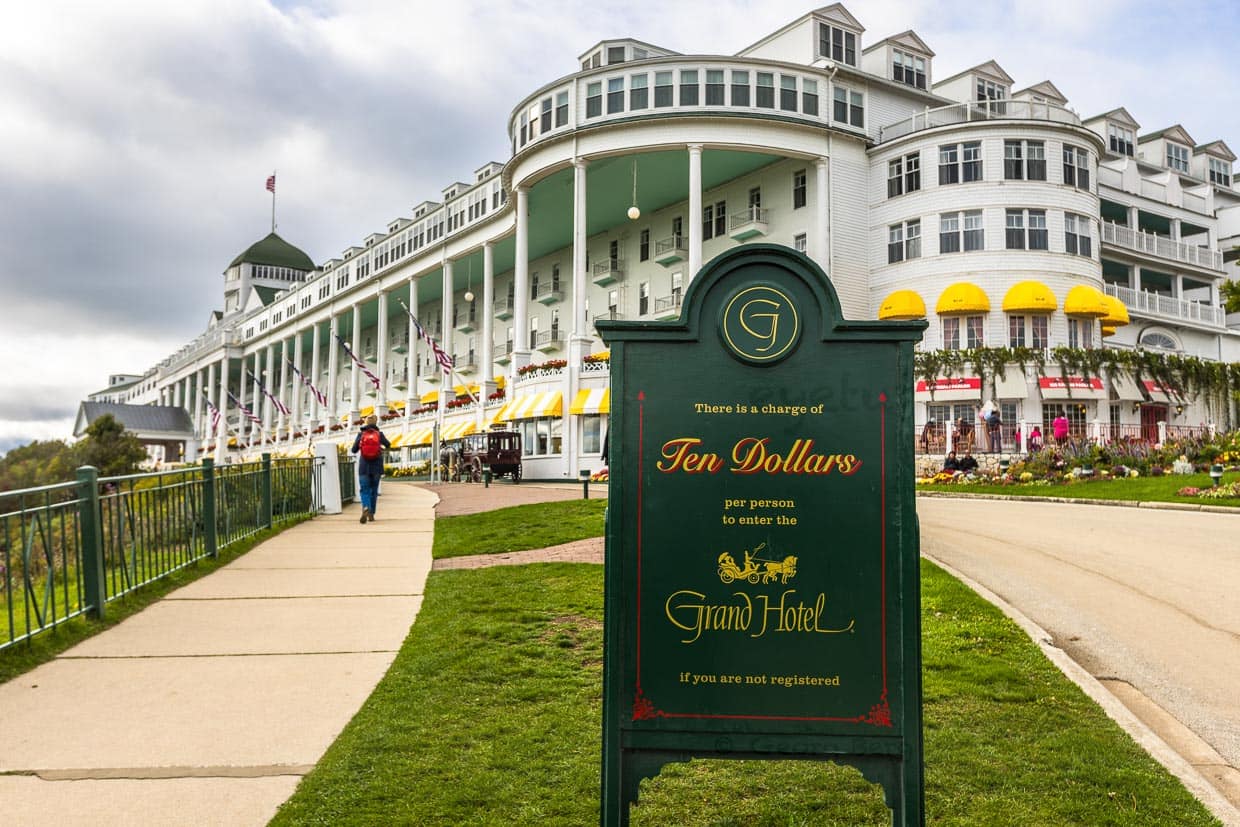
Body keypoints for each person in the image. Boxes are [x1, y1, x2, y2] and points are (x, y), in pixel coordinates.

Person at [351, 414, 391, 524]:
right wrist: (381, 447)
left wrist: (360, 446)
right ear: (376, 423)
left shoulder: (361, 434)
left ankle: (365, 507)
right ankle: (371, 513)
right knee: (374, 490)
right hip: (377, 466)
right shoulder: (379, 434)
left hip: (364, 467)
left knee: (364, 490)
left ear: (366, 423)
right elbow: (388, 445)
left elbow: (353, 450)